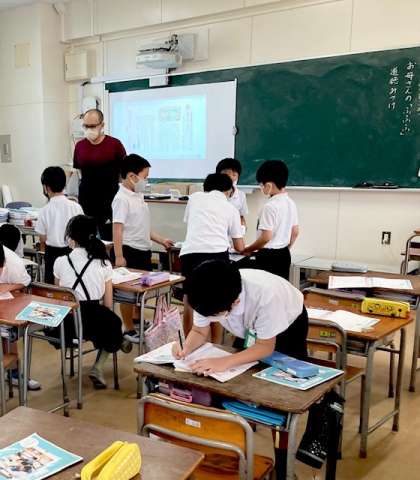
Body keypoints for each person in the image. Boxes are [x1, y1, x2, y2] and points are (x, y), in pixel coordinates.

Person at [173, 260, 308, 480]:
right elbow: (199, 331)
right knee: (235, 387)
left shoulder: (266, 297)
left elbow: (265, 347)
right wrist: (185, 350)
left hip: (288, 324)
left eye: (215, 315)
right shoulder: (205, 292)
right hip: (250, 331)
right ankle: (231, 453)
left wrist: (224, 362)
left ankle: (283, 470)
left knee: (280, 400)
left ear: (235, 303)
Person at [53, 215, 125, 389]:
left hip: (66, 323)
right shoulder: (103, 263)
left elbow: (58, 298)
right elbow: (108, 303)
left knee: (110, 326)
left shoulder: (60, 262)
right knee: (114, 324)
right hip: (94, 322)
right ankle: (98, 366)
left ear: (71, 237)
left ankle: (122, 340)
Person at [111, 154, 174, 342]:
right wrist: (119, 256)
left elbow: (142, 226)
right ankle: (128, 328)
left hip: (143, 250)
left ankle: (137, 319)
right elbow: (117, 229)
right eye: (145, 177)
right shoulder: (121, 199)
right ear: (132, 176)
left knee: (141, 290)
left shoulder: (137, 196)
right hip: (129, 250)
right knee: (128, 292)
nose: (146, 181)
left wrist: (161, 240)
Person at [180, 173, 245, 339]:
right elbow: (239, 246)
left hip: (190, 254)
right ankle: (215, 343)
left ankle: (188, 342)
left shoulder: (194, 198)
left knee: (190, 300)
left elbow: (193, 224)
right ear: (229, 191)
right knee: (219, 299)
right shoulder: (231, 208)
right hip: (217, 255)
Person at [73, 109, 126, 240]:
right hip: (86, 201)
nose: (89, 129)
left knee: (109, 239)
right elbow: (79, 172)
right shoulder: (80, 146)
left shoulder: (115, 144)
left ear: (102, 125)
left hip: (110, 202)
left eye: (92, 126)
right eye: (86, 126)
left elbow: (124, 173)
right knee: (87, 239)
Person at [242, 160, 299, 280]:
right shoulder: (291, 203)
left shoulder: (269, 206)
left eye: (261, 185)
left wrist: (249, 249)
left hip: (268, 257)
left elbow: (266, 237)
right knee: (279, 287)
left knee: (265, 287)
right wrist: (285, 248)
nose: (261, 188)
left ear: (268, 186)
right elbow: (295, 232)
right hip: (284, 255)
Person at [0, 242, 40, 391]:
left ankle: (14, 373)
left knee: (7, 328)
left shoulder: (14, 264)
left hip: (6, 299)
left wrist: (8, 287)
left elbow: (25, 282)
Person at [36, 167, 83, 284]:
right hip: (73, 253)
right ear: (64, 184)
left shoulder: (44, 210)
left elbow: (42, 238)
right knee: (71, 285)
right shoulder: (76, 207)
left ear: (46, 187)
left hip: (52, 255)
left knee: (52, 288)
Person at [215, 157, 248, 228]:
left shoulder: (241, 195)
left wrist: (243, 228)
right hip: (216, 230)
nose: (230, 178)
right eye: (226, 174)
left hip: (233, 232)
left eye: (234, 175)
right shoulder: (212, 193)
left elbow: (241, 217)